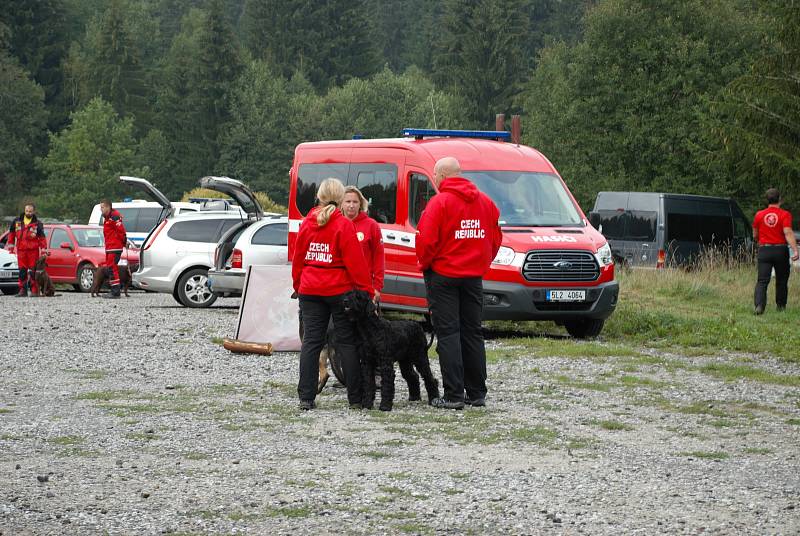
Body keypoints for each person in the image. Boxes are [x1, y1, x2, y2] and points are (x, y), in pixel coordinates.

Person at [416, 157, 502, 409]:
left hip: (443, 276)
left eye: (435, 175)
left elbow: (426, 241)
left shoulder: (439, 203)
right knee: (472, 333)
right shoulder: (486, 203)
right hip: (473, 277)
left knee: (449, 334)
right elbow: (496, 238)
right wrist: (481, 263)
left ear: (443, 176)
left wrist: (426, 265)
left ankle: (453, 394)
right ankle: (476, 392)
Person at [292, 178, 374, 410]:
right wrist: (366, 291)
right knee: (347, 342)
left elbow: (298, 259)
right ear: (340, 199)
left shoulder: (307, 223)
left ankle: (306, 397)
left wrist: (299, 285)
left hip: (310, 288)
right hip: (339, 290)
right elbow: (356, 264)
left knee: (311, 342)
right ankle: (355, 398)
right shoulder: (343, 225)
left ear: (318, 196)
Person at [752, 188, 799, 314]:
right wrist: (795, 250)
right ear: (780, 199)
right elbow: (788, 232)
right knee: (782, 280)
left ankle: (759, 306)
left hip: (764, 250)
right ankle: (781, 307)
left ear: (767, 200)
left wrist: (760, 241)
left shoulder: (759, 215)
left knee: (762, 280)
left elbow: (755, 234)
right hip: (780, 250)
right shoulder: (785, 214)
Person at [342, 185, 385, 302]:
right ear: (341, 203)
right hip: (340, 288)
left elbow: (379, 258)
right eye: (348, 201)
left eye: (355, 202)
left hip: (363, 288)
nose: (351, 205)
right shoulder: (337, 224)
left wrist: (377, 287)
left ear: (360, 204)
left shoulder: (371, 225)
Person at [6, 203, 47, 297]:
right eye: (27, 211)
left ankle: (34, 290)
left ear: (34, 212)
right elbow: (11, 234)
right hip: (21, 251)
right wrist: (11, 247)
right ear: (24, 210)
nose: (28, 212)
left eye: (30, 211)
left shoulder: (38, 223)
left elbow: (42, 238)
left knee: (33, 271)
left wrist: (44, 250)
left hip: (33, 251)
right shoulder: (17, 221)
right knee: (22, 271)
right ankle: (22, 290)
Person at [100, 200, 128, 299]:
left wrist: (124, 242)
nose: (101, 209)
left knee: (112, 268)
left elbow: (121, 231)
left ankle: (116, 292)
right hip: (109, 247)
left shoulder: (114, 217)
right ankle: (114, 289)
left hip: (114, 247)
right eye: (101, 207)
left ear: (108, 207)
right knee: (110, 268)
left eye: (103, 207)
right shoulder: (107, 218)